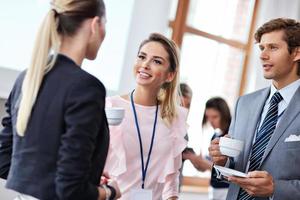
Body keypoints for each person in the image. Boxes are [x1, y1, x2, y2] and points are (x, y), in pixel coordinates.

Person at [0, 0, 121, 199]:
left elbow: (4, 161)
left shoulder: (27, 78)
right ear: (94, 25)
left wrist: (86, 177)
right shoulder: (87, 88)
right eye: (105, 24)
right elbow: (71, 192)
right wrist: (109, 192)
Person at [209, 18, 300, 200]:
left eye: (273, 47)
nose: (263, 55)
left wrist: (275, 188)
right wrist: (222, 160)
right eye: (261, 48)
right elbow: (235, 165)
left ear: (296, 53)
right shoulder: (244, 103)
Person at [104, 33, 188, 200]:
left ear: (170, 75)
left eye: (156, 61)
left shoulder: (174, 117)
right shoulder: (111, 107)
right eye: (142, 57)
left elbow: (171, 183)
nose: (145, 65)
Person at [185, 97, 231, 200]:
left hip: (226, 190)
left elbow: (226, 171)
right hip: (214, 189)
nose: (210, 121)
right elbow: (207, 167)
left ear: (224, 115)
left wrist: (202, 162)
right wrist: (195, 160)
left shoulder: (231, 137)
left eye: (214, 117)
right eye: (208, 117)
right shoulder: (215, 135)